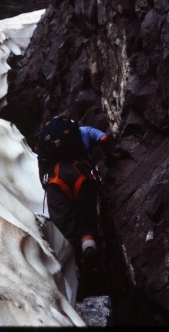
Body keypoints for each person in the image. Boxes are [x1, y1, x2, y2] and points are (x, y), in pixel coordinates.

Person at [36, 115, 114, 271]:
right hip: (81, 175)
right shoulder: (81, 131)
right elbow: (104, 138)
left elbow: (42, 169)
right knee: (86, 222)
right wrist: (110, 159)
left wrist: (50, 190)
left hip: (55, 181)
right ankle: (89, 249)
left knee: (66, 230)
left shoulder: (45, 143)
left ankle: (75, 273)